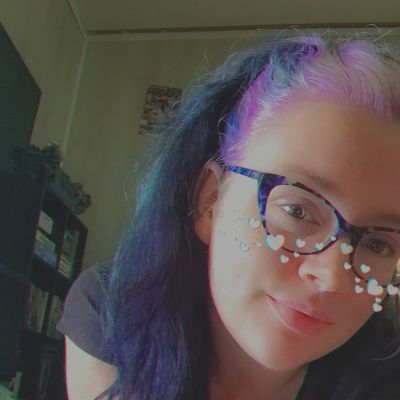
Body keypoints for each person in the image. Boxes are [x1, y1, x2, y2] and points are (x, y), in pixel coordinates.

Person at [57, 33, 400, 400]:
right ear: (210, 201)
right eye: (298, 211)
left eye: (378, 244)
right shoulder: (112, 314)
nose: (332, 277)